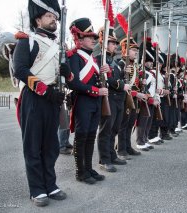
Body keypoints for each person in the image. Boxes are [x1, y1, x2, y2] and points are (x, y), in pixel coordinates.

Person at [13, 0, 69, 206]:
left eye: (55, 17)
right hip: (35, 98)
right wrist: (45, 91)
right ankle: (37, 189)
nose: (54, 20)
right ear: (38, 18)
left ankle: (50, 185)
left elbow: (67, 73)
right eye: (49, 17)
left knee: (51, 146)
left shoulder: (59, 45)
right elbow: (20, 69)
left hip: (53, 100)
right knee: (33, 146)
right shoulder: (26, 40)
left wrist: (67, 72)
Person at [67, 18, 109, 184]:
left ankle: (89, 168)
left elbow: (96, 79)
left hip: (95, 102)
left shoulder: (95, 60)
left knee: (91, 135)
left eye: (94, 37)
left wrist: (105, 71)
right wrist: (96, 91)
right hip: (83, 101)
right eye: (89, 37)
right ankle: (80, 171)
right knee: (82, 135)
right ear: (80, 38)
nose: (94, 40)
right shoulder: (73, 56)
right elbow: (75, 82)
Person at [96, 25, 128, 172]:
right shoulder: (99, 59)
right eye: (112, 43)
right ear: (103, 44)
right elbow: (107, 81)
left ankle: (111, 154)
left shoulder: (114, 61)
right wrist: (120, 84)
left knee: (114, 128)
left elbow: (119, 80)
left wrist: (123, 75)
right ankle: (104, 159)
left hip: (118, 99)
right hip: (108, 98)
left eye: (116, 43)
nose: (115, 45)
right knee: (106, 130)